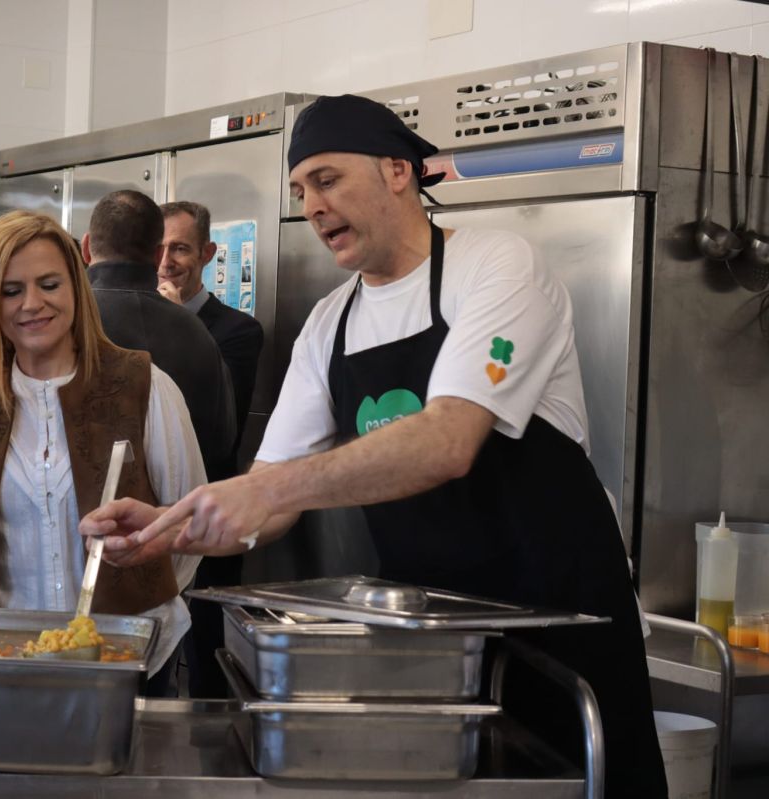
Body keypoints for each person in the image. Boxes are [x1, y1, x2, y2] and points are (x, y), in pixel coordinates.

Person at [83, 94, 667, 796]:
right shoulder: (330, 322)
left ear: (397, 171)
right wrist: (169, 527)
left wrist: (269, 489)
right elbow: (268, 498)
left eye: (327, 179)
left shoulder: (499, 267)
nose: (312, 206)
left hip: (562, 632)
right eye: (301, 190)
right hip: (434, 649)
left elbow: (447, 440)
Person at [0, 210, 204, 696]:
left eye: (49, 284)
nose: (32, 304)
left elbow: (188, 521)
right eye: (11, 290)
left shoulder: (142, 384)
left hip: (133, 657)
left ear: (76, 287)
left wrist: (136, 602)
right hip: (15, 660)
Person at [158, 200, 265, 697]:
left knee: (208, 667)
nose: (166, 261)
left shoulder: (239, 331)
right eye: (157, 248)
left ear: (207, 253)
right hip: (150, 516)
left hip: (210, 520)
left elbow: (220, 423)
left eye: (180, 248)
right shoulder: (134, 321)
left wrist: (176, 325)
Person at [81, 190, 236, 482]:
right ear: (157, 255)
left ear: (86, 248)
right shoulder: (196, 332)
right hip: (181, 503)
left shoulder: (65, 321)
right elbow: (222, 442)